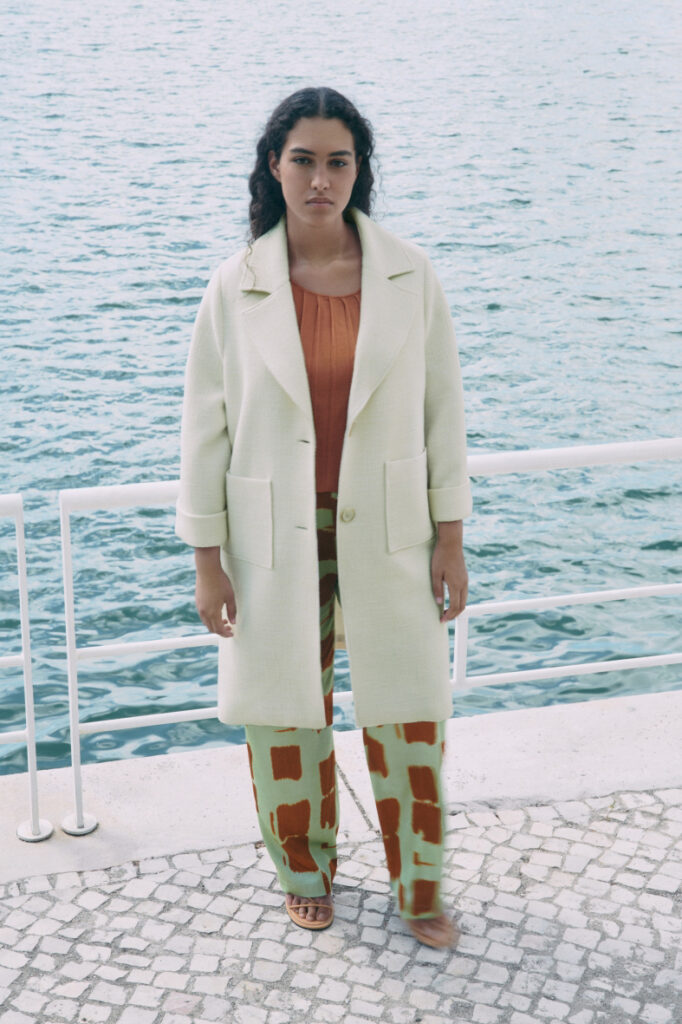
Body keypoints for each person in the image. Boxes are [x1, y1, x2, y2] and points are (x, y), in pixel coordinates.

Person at [175, 86, 473, 949]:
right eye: (302, 160)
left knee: (410, 717)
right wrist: (207, 562)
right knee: (284, 717)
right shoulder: (234, 286)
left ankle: (420, 886)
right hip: (272, 539)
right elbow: (204, 432)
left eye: (337, 162)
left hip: (392, 531)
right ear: (274, 166)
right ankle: (304, 876)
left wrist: (451, 539)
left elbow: (443, 415)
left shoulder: (411, 276)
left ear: (358, 170)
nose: (319, 180)